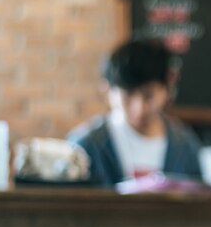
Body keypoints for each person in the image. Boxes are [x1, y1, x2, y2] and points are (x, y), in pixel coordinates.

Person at [68, 39, 203, 187]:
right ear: (108, 90)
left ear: (167, 90)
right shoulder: (85, 146)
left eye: (148, 96)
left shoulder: (185, 146)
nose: (139, 108)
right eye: (128, 95)